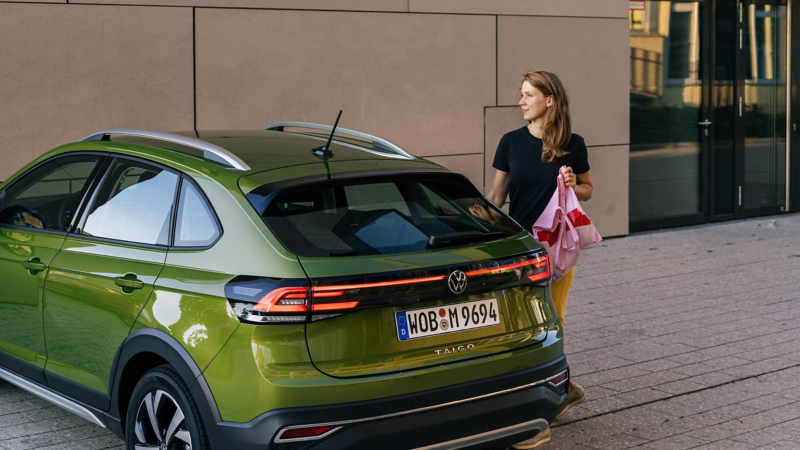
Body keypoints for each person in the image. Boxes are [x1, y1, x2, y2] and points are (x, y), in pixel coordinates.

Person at [482, 71, 593, 449]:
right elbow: (495, 197)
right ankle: (563, 389)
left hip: (557, 250)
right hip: (520, 250)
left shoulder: (573, 144)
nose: (521, 101)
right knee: (522, 327)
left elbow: (589, 190)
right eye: (521, 94)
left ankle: (537, 416)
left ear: (549, 100)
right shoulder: (510, 142)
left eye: (528, 94)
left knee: (549, 322)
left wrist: (573, 181)